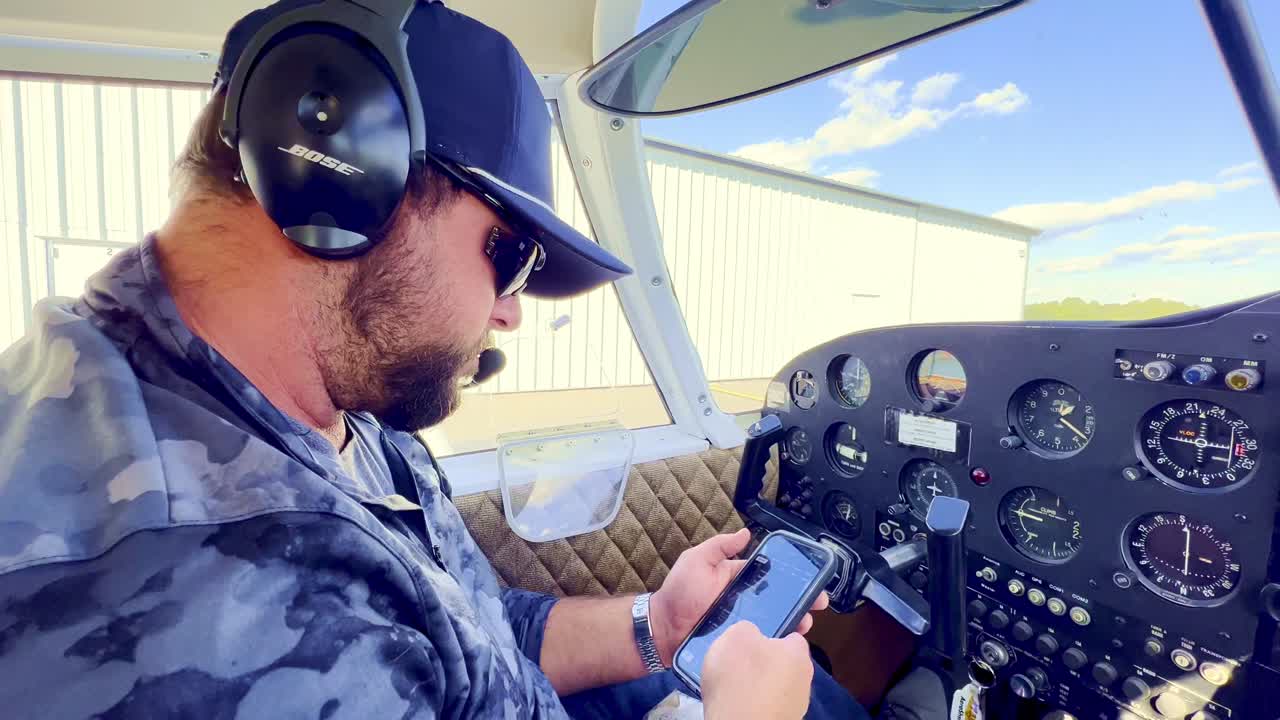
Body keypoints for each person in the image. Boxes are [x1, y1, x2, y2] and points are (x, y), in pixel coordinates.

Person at [0, 2, 872, 718]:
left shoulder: (331, 404)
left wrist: (657, 626)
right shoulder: (202, 597)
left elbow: (473, 628)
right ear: (340, 166)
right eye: (511, 252)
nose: (511, 310)